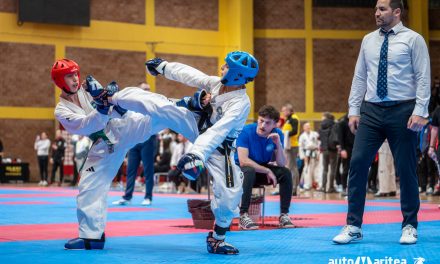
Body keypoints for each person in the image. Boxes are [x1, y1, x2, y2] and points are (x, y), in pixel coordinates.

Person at [51, 58, 199, 250]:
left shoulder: (87, 88)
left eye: (76, 74)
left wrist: (107, 95)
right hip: (105, 145)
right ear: (60, 81)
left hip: (126, 125)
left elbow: (114, 106)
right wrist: (103, 104)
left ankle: (189, 108)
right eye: (69, 76)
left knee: (136, 97)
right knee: (88, 184)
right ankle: (91, 237)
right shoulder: (61, 110)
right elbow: (88, 125)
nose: (75, 79)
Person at [332, 0, 430, 245]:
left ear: (397, 12)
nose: (376, 13)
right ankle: (353, 225)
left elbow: (423, 76)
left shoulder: (414, 39)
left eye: (382, 9)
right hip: (372, 111)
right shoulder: (368, 40)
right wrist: (353, 110)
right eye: (376, 9)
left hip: (403, 110)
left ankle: (409, 225)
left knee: (406, 168)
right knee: (357, 163)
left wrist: (420, 110)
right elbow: (359, 76)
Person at [145, 50, 259, 254]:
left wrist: (196, 154)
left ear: (235, 74)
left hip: (219, 147)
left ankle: (217, 239)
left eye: (226, 66)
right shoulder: (217, 84)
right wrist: (164, 67)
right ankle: (116, 102)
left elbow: (219, 131)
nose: (222, 67)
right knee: (165, 106)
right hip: (196, 124)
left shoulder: (240, 104)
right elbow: (191, 74)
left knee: (231, 195)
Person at [236, 105, 294, 230]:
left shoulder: (277, 134)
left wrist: (278, 144)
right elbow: (243, 161)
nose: (262, 125)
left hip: (260, 170)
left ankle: (284, 215)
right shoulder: (246, 131)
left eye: (267, 123)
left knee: (285, 173)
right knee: (249, 170)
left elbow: (281, 163)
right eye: (261, 120)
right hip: (240, 171)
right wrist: (267, 170)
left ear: (275, 125)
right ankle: (243, 215)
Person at [112, 82, 158, 206]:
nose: (147, 91)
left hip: (148, 138)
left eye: (148, 89)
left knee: (148, 169)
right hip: (134, 139)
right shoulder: (132, 104)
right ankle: (127, 197)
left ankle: (148, 196)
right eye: (144, 89)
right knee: (131, 169)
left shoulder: (154, 103)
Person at [282, 104, 300, 195]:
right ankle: (292, 187)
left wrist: (284, 134)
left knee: (293, 167)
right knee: (291, 167)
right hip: (288, 145)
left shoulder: (294, 119)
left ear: (290, 111)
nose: (283, 112)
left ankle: (293, 188)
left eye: (285, 110)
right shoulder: (289, 119)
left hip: (292, 146)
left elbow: (295, 131)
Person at [318, 112, 337, 193]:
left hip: (324, 149)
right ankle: (331, 187)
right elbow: (337, 137)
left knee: (325, 169)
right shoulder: (335, 124)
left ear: (325, 117)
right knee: (333, 169)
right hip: (333, 149)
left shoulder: (321, 125)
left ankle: (323, 187)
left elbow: (319, 137)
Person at [298, 122, 320, 190]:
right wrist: (303, 156)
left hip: (315, 152)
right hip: (306, 154)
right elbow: (300, 147)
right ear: (304, 128)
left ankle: (316, 184)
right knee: (307, 169)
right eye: (306, 127)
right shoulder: (302, 136)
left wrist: (318, 153)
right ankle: (307, 184)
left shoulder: (315, 134)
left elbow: (319, 144)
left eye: (309, 126)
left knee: (316, 170)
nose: (308, 128)